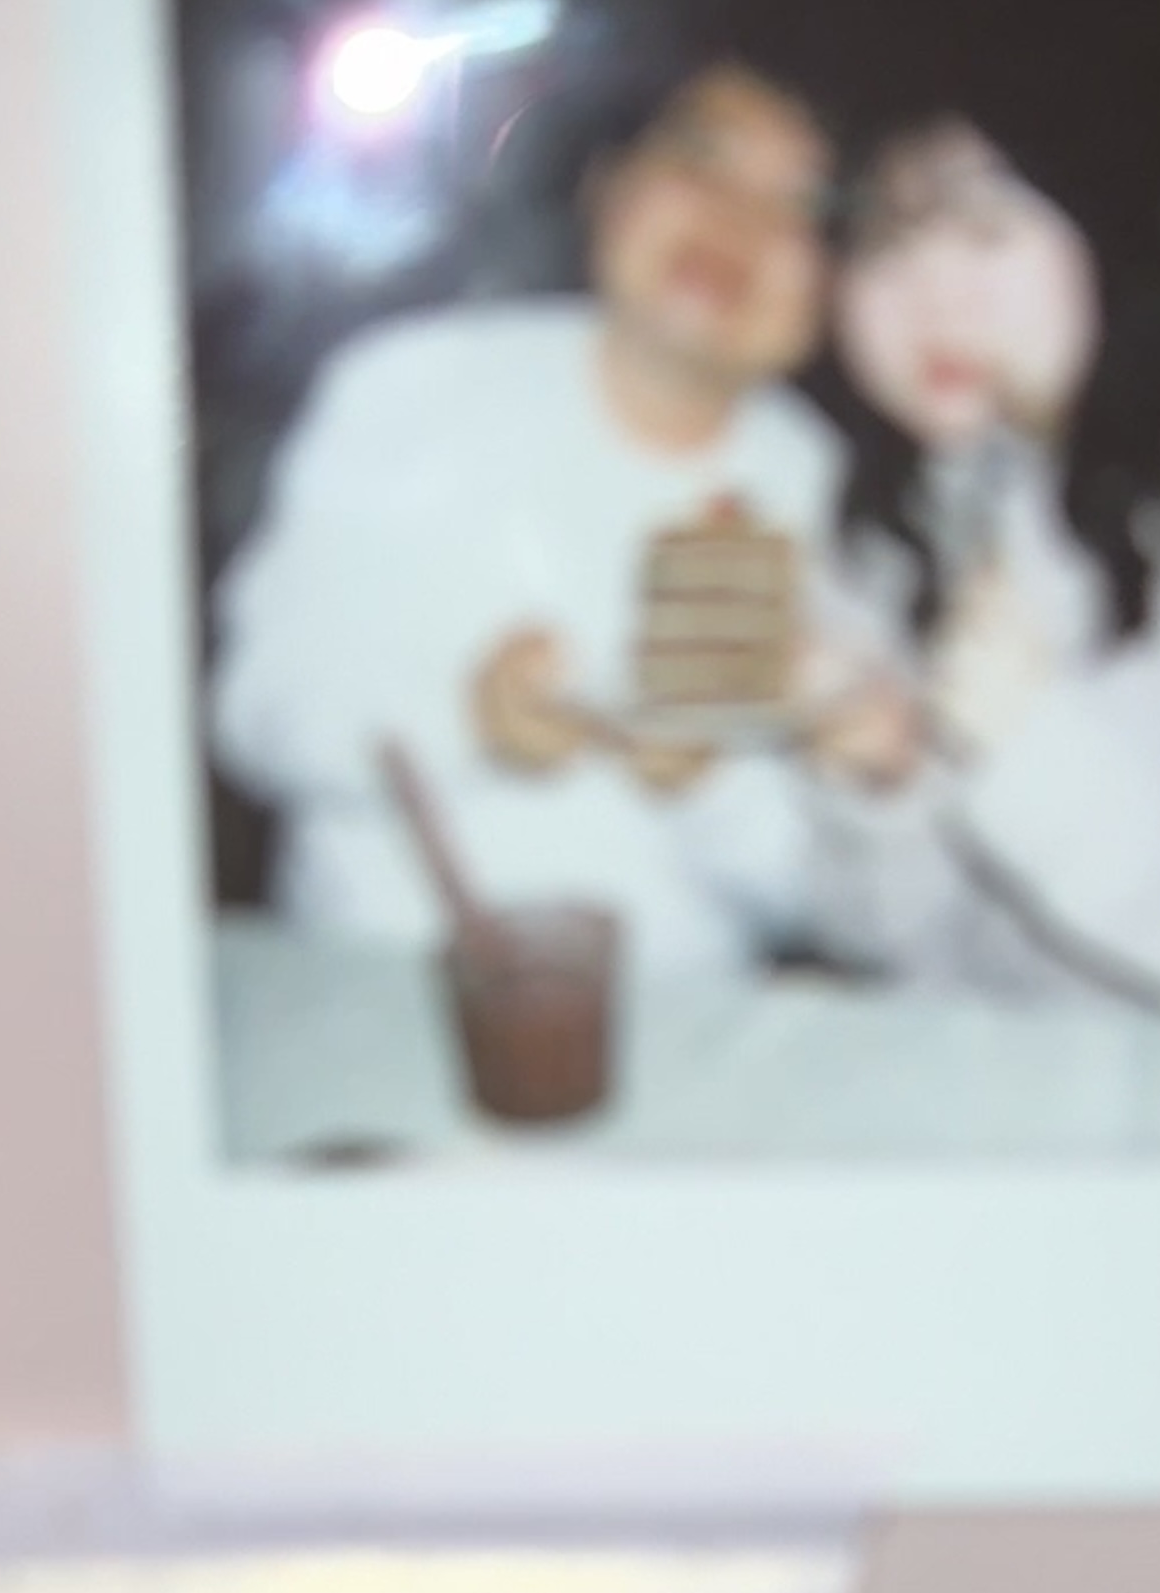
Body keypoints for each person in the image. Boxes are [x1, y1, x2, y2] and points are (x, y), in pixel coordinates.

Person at [211, 59, 907, 981]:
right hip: (374, 982)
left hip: (681, 1008)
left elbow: (833, 902)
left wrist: (707, 783)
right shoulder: (409, 388)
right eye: (702, 161)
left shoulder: (836, 501)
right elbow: (256, 710)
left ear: (837, 290)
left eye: (797, 209)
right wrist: (470, 716)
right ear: (607, 186)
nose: (737, 221)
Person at [803, 117, 1160, 1019]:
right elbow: (901, 953)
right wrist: (882, 784)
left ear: (1102, 240)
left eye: (986, 231)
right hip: (1004, 1076)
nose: (935, 299)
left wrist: (1028, 745)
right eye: (884, 244)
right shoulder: (889, 531)